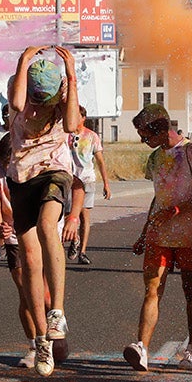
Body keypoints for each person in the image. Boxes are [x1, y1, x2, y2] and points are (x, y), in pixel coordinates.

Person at [6, 45, 80, 376]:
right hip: (22, 176)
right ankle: (41, 341)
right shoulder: (18, 88)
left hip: (54, 170)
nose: (38, 108)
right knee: (30, 263)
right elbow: (19, 103)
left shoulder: (63, 95)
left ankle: (57, 312)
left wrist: (72, 76)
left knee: (49, 224)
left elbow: (74, 123)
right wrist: (23, 61)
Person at [124, 104, 192, 371]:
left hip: (189, 235)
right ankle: (142, 347)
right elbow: (158, 196)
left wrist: (177, 210)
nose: (143, 141)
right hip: (158, 235)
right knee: (152, 289)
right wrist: (145, 231)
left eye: (146, 135)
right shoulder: (154, 159)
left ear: (161, 129)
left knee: (190, 291)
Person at [0, 134, 48, 369]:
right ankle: (35, 346)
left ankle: (52, 339)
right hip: (14, 237)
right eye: (2, 163)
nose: (4, 167)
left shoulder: (38, 168)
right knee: (25, 292)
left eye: (8, 163)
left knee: (45, 295)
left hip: (40, 233)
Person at [68, 106, 111, 265]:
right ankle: (75, 238)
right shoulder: (66, 135)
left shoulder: (92, 136)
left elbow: (100, 161)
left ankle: (83, 252)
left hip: (87, 180)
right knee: (68, 215)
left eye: (76, 115)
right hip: (68, 181)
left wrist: (106, 183)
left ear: (83, 118)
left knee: (84, 216)